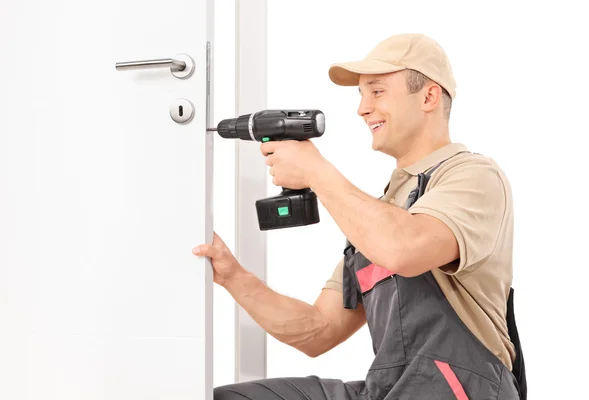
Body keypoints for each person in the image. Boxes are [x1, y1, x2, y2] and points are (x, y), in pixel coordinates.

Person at [193, 33, 525, 400]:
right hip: (389, 390)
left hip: (458, 388)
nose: (362, 108)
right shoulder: (379, 212)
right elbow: (317, 330)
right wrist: (233, 276)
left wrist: (316, 172)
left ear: (429, 96)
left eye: (378, 92)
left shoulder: (472, 176)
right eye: (362, 95)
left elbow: (405, 248)